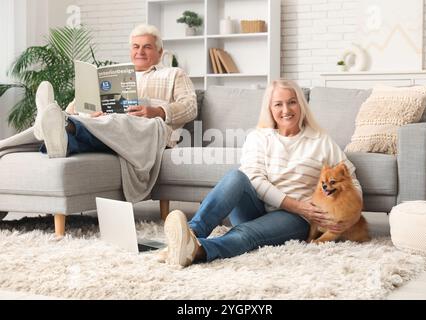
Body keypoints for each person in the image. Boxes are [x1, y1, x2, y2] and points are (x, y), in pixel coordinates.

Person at [161, 79, 363, 267]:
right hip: (261, 207)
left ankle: (196, 250)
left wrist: (349, 217)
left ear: (301, 104)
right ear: (270, 108)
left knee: (246, 234)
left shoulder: (321, 141)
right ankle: (191, 232)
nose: (286, 110)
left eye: (292, 102)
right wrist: (300, 206)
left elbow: (351, 180)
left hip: (295, 218)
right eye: (278, 104)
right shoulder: (258, 137)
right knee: (235, 177)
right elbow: (255, 179)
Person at [33, 24, 197, 158]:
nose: (140, 51)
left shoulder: (174, 74)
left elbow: (190, 106)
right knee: (97, 120)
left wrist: (157, 111)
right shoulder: (112, 75)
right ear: (130, 51)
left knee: (120, 121)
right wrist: (90, 113)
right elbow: (75, 106)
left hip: (150, 131)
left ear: (160, 52)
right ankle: (55, 129)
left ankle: (60, 127)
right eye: (135, 47)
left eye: (147, 47)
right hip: (109, 125)